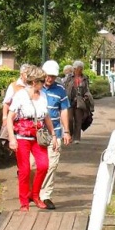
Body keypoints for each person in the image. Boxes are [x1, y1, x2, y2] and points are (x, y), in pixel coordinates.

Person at [5, 65, 56, 211]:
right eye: (42, 81)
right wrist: (12, 139)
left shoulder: (43, 95)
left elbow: (46, 117)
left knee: (43, 165)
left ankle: (35, 195)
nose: (44, 83)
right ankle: (24, 202)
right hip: (22, 136)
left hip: (38, 136)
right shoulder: (20, 95)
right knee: (25, 170)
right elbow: (10, 118)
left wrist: (53, 135)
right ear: (34, 82)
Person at [38, 60, 71, 210]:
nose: (49, 79)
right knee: (34, 165)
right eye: (47, 75)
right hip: (36, 132)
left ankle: (45, 195)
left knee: (52, 164)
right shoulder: (35, 87)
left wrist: (66, 131)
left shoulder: (60, 89)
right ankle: (33, 192)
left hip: (55, 132)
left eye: (52, 76)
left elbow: (64, 110)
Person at [0, 64, 31, 143]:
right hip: (15, 119)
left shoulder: (31, 86)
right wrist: (4, 117)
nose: (29, 75)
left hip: (28, 121)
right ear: (21, 74)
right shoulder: (14, 86)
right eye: (26, 73)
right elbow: (6, 103)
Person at [65, 60, 94, 143]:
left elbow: (87, 89)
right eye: (78, 68)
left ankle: (77, 138)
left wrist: (86, 97)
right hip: (69, 100)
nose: (79, 70)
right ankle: (69, 135)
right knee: (69, 119)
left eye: (80, 68)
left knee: (78, 120)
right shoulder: (69, 77)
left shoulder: (85, 78)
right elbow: (65, 87)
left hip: (80, 101)